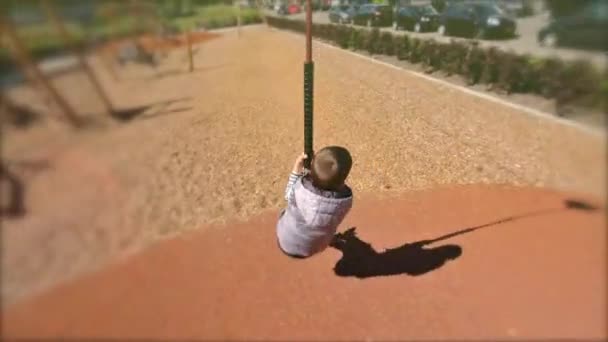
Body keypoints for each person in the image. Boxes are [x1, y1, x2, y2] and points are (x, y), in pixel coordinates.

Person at [276, 146, 354, 258]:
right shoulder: (345, 201)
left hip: (286, 238)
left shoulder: (299, 188)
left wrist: (297, 169)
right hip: (315, 246)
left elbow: (288, 196)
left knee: (290, 211)